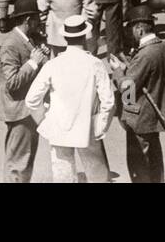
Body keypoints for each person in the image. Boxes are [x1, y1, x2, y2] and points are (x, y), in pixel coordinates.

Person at [25, 14, 115, 183]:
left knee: (63, 177)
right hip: (87, 128)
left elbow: (31, 100)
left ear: (65, 37)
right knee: (97, 175)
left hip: (59, 128)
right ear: (85, 36)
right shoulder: (95, 63)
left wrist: (44, 123)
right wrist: (100, 126)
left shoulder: (52, 65)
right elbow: (108, 102)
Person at [117, 4, 165, 183]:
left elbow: (127, 87)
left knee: (139, 164)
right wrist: (131, 66)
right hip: (155, 115)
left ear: (139, 29)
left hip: (139, 118)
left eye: (132, 29)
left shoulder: (145, 55)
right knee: (155, 159)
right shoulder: (164, 47)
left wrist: (118, 71)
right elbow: (148, 75)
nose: (131, 33)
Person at [0, 0, 50, 182]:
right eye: (37, 18)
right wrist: (33, 63)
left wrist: (42, 56)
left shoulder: (29, 39)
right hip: (19, 111)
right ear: (28, 20)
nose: (39, 22)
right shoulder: (11, 45)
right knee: (18, 164)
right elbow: (11, 82)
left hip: (28, 110)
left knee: (25, 160)